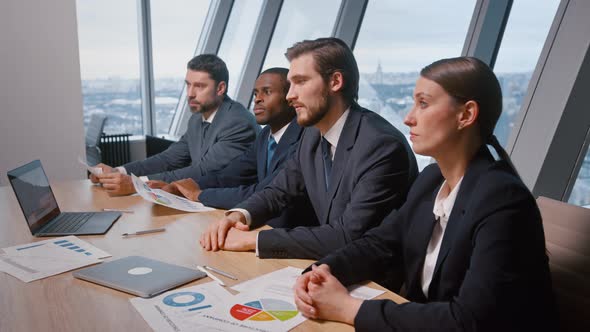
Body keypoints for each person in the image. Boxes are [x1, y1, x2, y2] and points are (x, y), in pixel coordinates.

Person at [293, 57, 557, 331]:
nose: (409, 117)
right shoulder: (431, 181)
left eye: (423, 103)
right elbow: (380, 244)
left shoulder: (504, 200)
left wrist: (348, 308)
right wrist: (322, 272)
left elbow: (470, 322)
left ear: (466, 115)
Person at [200, 37, 418, 259]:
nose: (290, 95)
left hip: (377, 281)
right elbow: (279, 191)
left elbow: (348, 235)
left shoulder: (381, 145)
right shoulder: (313, 134)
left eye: (301, 82)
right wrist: (239, 216)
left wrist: (253, 240)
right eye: (290, 83)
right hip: (332, 266)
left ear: (335, 82)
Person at [156, 67, 316, 228]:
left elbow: (264, 191)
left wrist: (199, 195)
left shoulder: (305, 138)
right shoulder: (265, 135)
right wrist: (187, 186)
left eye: (267, 92)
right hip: (262, 225)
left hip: (293, 234)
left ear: (291, 98)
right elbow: (230, 174)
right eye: (255, 93)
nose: (257, 99)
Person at [90, 54, 260, 195]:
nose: (190, 94)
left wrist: (137, 184)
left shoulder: (237, 122)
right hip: (201, 200)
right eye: (188, 85)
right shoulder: (196, 120)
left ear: (220, 88)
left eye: (200, 86)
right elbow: (168, 159)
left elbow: (204, 171)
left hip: (230, 207)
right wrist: (118, 172)